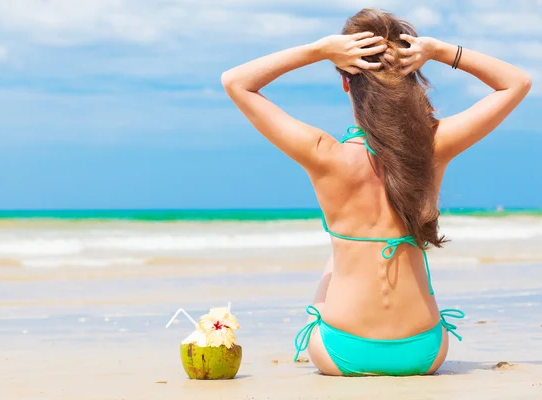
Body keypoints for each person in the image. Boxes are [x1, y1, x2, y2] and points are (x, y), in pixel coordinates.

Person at [221, 8, 532, 376]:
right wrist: (439, 50)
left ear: (345, 82)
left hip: (342, 350)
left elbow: (235, 81)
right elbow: (518, 82)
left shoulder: (325, 154)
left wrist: (318, 50)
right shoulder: (433, 146)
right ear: (411, 77)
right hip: (424, 351)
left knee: (334, 263)